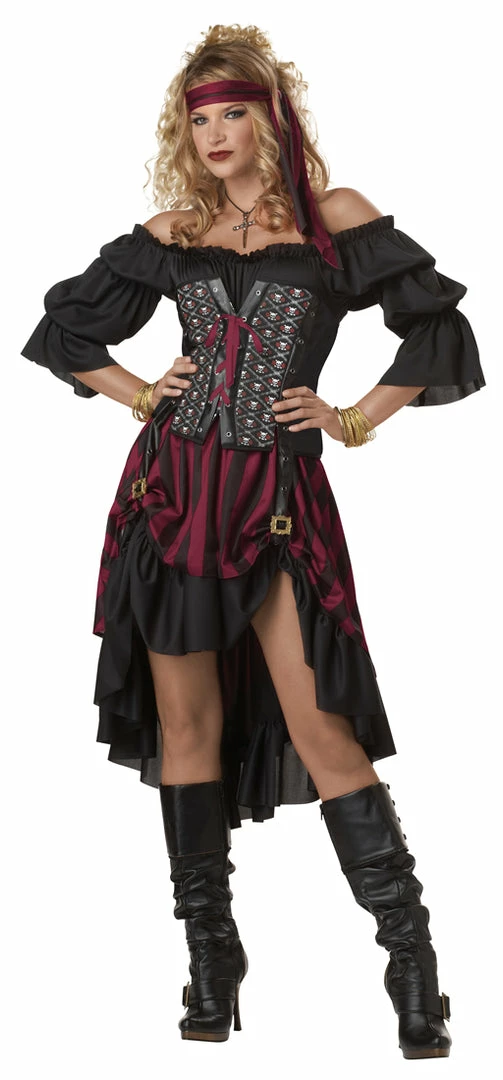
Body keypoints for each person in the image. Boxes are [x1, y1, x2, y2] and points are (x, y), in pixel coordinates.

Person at [21, 23, 485, 1056]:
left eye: (233, 113)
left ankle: (412, 969)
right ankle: (210, 961)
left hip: (274, 497)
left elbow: (436, 329)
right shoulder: (175, 228)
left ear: (270, 119)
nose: (216, 134)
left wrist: (352, 418)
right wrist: (143, 393)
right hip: (171, 494)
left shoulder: (333, 220)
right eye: (200, 120)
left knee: (325, 731)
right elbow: (68, 331)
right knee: (185, 728)